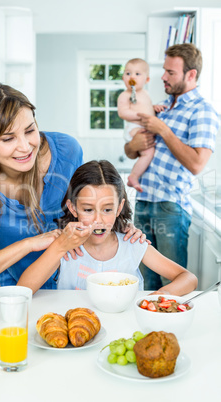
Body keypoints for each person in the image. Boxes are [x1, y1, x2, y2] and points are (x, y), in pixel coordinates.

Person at [0, 83, 146, 294]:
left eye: (30, 130)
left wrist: (117, 227)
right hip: (23, 294)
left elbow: (87, 207)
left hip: (73, 291)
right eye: (8, 138)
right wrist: (28, 244)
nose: (25, 147)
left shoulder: (67, 152)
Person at [18, 160, 198, 295]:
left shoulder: (132, 243)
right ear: (73, 208)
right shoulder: (65, 247)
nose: (98, 219)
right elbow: (22, 291)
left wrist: (160, 295)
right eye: (88, 209)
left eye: (107, 209)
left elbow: (188, 278)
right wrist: (59, 248)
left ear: (119, 208)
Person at [124, 44, 220, 290]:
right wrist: (134, 144)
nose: (163, 77)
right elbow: (131, 152)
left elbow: (198, 164)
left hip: (171, 207)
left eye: (171, 73)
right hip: (144, 202)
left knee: (172, 283)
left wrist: (163, 130)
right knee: (145, 281)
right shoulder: (161, 108)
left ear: (191, 75)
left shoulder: (203, 112)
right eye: (164, 71)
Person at [117, 58, 165, 192]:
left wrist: (154, 107)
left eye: (137, 74)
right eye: (128, 73)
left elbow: (147, 107)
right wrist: (141, 115)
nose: (132, 76)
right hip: (134, 128)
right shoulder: (124, 95)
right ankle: (134, 176)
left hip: (143, 127)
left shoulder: (145, 93)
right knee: (148, 152)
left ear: (147, 79)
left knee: (151, 149)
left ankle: (135, 175)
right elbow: (122, 113)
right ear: (123, 77)